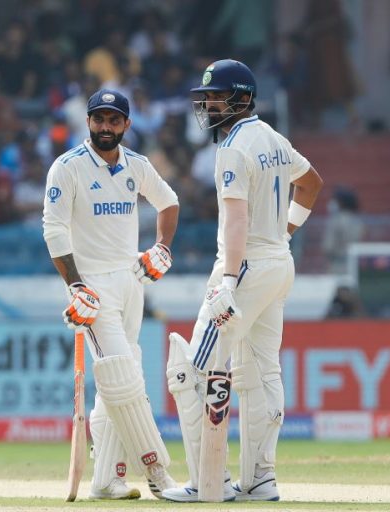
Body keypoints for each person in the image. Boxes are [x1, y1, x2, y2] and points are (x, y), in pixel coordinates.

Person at [163, 59, 323, 503]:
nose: (210, 104)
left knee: (194, 372)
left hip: (245, 267)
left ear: (243, 98)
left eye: (218, 96)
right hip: (277, 265)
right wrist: (284, 233)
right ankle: (259, 479)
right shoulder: (272, 137)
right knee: (259, 371)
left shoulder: (233, 148)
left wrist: (229, 280)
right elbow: (310, 185)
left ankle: (207, 481)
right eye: (208, 97)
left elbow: (236, 220)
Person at [42, 88, 180, 500]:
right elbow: (53, 229)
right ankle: (158, 471)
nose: (106, 127)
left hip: (131, 281)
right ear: (87, 122)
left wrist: (161, 247)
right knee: (123, 374)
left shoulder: (137, 165)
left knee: (117, 382)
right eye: (99, 120)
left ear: (126, 125)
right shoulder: (67, 168)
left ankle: (104, 481)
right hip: (94, 287)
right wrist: (76, 285)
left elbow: (168, 202)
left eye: (114, 120)